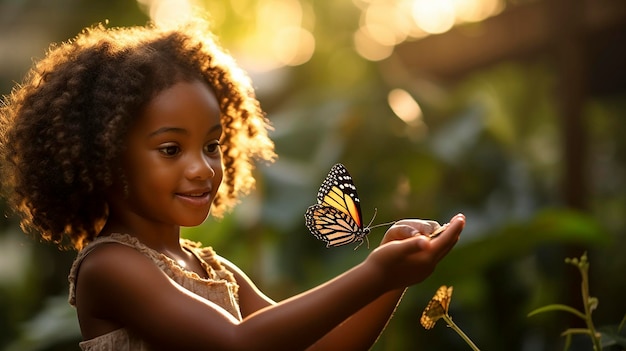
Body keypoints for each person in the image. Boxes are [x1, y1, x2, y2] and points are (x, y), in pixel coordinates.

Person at [0, 18, 466, 351]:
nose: (202, 168)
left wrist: (392, 280)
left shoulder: (211, 269)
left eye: (211, 145)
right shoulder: (110, 268)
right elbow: (237, 342)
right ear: (103, 158)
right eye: (170, 149)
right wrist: (376, 273)